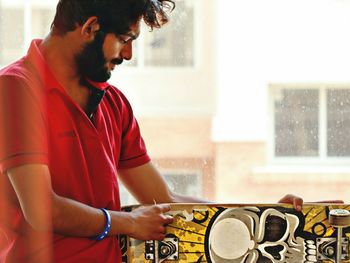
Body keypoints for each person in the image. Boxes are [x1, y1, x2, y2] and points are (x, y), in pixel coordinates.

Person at [0, 0, 304, 262]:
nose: (129, 54)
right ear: (90, 28)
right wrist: (129, 223)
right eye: (124, 39)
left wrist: (261, 216)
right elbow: (42, 210)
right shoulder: (15, 89)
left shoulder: (114, 103)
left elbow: (163, 197)